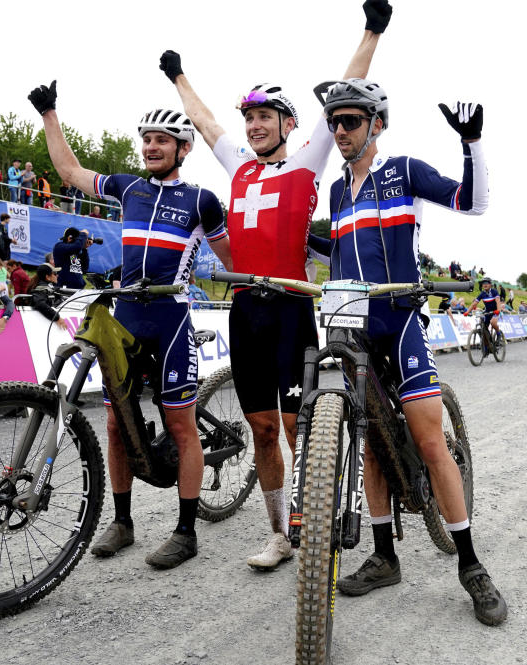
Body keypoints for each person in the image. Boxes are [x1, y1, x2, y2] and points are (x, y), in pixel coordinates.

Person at [161, 0, 390, 570]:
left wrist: (372, 30)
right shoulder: (237, 162)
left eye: (266, 116)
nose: (254, 125)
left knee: (294, 426)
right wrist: (177, 76)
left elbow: (348, 84)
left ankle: (309, 522)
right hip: (244, 310)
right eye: (251, 118)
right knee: (262, 426)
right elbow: (206, 120)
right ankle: (281, 535)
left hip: (289, 308)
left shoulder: (307, 160)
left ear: (289, 124)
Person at [307, 78, 506, 626]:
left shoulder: (405, 171)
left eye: (350, 121)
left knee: (429, 442)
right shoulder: (338, 191)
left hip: (399, 325)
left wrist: (472, 143)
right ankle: (384, 555)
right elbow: (345, 248)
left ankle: (470, 566)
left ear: (376, 123)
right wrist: (304, 239)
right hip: (353, 327)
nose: (339, 131)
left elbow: (474, 202)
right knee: (369, 443)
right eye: (333, 123)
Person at [29, 79, 233, 570]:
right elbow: (70, 170)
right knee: (117, 424)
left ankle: (186, 531)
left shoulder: (203, 199)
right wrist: (49, 113)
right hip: (127, 317)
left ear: (183, 148)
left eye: (161, 140)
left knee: (181, 426)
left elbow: (230, 259)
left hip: (171, 320)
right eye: (146, 139)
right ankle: (122, 522)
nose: (151, 146)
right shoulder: (128, 187)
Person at [27, 263, 67, 329]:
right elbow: (39, 303)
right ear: (47, 277)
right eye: (55, 273)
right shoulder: (42, 289)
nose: (57, 275)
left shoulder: (49, 287)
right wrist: (57, 317)